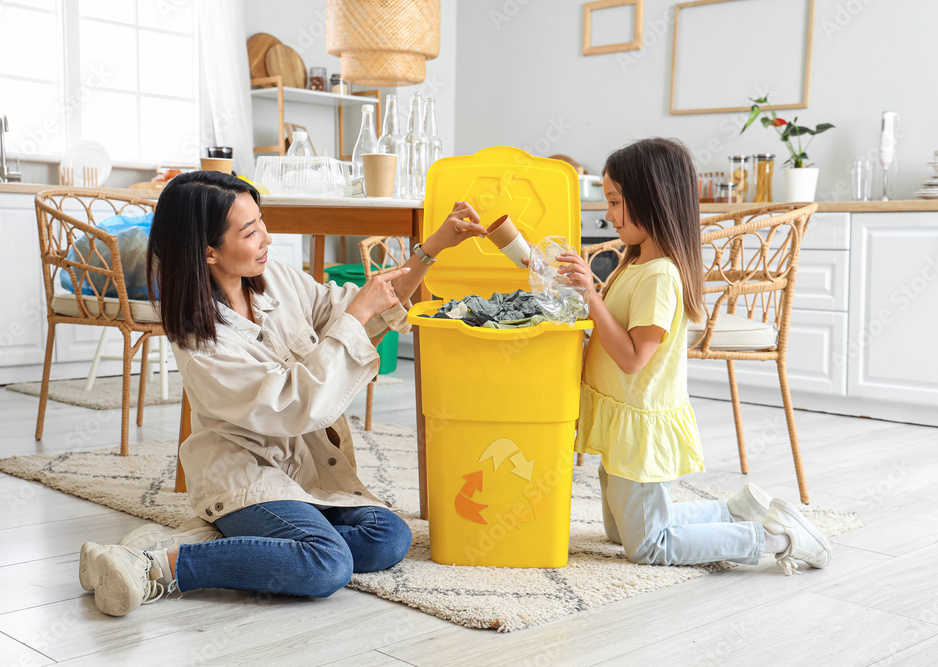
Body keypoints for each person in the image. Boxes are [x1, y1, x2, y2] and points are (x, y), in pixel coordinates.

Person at [78, 170, 488, 616]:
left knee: (388, 535)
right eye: (251, 231)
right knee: (326, 564)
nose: (267, 239)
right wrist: (356, 315)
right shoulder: (203, 344)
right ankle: (155, 564)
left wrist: (431, 249)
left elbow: (369, 305)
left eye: (262, 222)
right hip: (244, 476)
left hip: (300, 472)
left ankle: (225, 541)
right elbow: (297, 406)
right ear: (208, 251)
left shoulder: (277, 279)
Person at [555, 138, 831, 575]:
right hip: (621, 418)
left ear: (652, 200)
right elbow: (613, 324)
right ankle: (740, 509)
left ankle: (776, 538)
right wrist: (586, 289)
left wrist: (590, 297)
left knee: (649, 545)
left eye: (613, 201)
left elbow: (631, 358)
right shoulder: (634, 262)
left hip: (639, 424)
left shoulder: (661, 276)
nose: (606, 214)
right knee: (618, 533)